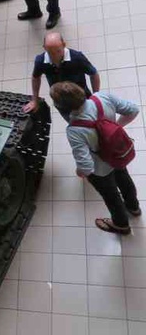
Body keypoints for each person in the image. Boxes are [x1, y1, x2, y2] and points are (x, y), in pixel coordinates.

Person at [51, 82, 140, 234]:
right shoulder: (102, 97)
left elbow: (86, 167)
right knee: (124, 178)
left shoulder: (74, 130)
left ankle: (121, 224)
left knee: (111, 195)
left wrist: (80, 171)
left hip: (101, 169)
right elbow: (133, 110)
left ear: (62, 108)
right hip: (117, 155)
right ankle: (133, 207)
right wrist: (116, 127)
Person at [24, 32, 100, 120]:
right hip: (61, 102)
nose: (54, 56)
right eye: (50, 52)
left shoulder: (77, 57)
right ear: (44, 48)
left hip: (83, 98)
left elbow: (93, 74)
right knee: (73, 122)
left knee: (93, 118)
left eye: (58, 51)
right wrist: (35, 100)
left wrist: (96, 96)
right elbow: (36, 77)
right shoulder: (40, 61)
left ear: (64, 45)